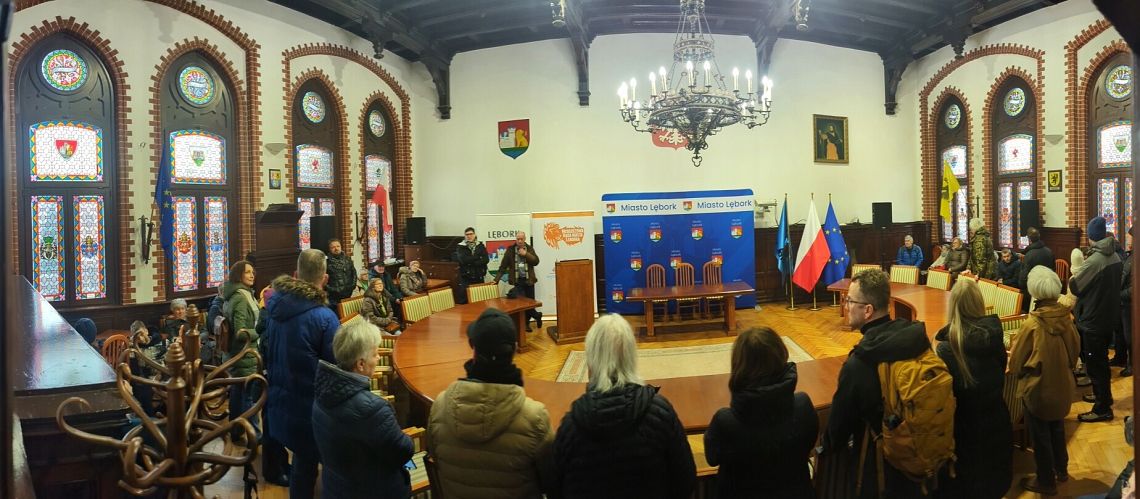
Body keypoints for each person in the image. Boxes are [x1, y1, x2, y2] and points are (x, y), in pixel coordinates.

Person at [553, 314, 695, 498]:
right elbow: (685, 480)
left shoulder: (571, 425)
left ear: (591, 360)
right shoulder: (660, 413)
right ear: (631, 356)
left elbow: (555, 488)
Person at [824, 269, 931, 498]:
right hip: (923, 461)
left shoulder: (859, 364)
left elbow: (836, 432)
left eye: (849, 300)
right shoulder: (918, 340)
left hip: (881, 473)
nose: (845, 306)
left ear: (868, 310)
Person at [427, 308, 554, 498]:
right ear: (513, 351)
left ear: (473, 349)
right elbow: (550, 482)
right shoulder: (534, 418)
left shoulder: (439, 406)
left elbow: (435, 460)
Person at [703, 327, 817, 498]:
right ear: (782, 355)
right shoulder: (803, 405)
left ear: (738, 365)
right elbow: (810, 444)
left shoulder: (725, 421)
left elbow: (712, 458)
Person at [263, 249, 341, 499]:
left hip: (281, 402)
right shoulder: (325, 317)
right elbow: (336, 368)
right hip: (313, 410)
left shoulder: (275, 308)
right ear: (325, 279)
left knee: (302, 465)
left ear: (296, 275)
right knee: (330, 468)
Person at [313, 320, 414, 499]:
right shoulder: (373, 410)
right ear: (360, 364)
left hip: (335, 487)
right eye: (375, 354)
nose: (378, 358)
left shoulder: (321, 393)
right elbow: (404, 451)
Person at [933, 278, 1012, 499]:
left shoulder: (947, 349)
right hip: (997, 422)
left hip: (964, 434)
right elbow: (1000, 370)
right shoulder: (995, 337)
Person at [1009, 266, 1080, 495]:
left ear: (1034, 290)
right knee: (1057, 428)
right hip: (1063, 387)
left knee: (1040, 438)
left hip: (1038, 391)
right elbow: (1075, 352)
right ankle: (1061, 470)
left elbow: (1016, 361)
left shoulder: (1033, 324)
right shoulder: (1067, 318)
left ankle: (1046, 482)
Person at [1070, 216, 1122, 423]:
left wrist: (1075, 273)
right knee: (1101, 362)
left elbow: (1075, 286)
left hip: (1094, 319)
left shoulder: (1095, 260)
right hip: (1108, 317)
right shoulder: (1115, 255)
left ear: (1091, 236)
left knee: (1095, 365)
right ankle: (1103, 396)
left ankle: (1102, 409)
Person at [222, 260, 261, 439]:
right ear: (238, 275)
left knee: (238, 394)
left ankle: (236, 431)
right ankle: (255, 436)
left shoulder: (239, 294)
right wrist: (260, 331)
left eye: (253, 272)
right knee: (248, 397)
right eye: (247, 272)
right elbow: (240, 332)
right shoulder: (240, 297)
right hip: (244, 354)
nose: (252, 275)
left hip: (240, 354)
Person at [494, 231, 542, 331]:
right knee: (522, 304)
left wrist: (526, 254)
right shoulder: (510, 250)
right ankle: (532, 319)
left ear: (525, 239)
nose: (519, 241)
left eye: (521, 239)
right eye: (518, 239)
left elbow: (536, 261)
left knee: (530, 304)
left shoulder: (529, 249)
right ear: (515, 239)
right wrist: (496, 279)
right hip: (518, 281)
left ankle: (530, 320)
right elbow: (503, 266)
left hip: (529, 281)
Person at [1018, 227, 1055, 313]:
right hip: (1048, 288)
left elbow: (1023, 278)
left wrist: (1021, 285)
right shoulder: (1049, 251)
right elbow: (1053, 271)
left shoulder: (1029, 255)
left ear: (1029, 240)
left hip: (1033, 291)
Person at [455, 227, 490, 304]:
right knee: (464, 300)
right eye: (467, 234)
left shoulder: (480, 245)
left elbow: (486, 260)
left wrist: (472, 262)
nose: (469, 236)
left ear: (474, 235)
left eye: (471, 234)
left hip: (479, 276)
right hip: (466, 277)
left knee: (480, 300)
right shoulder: (460, 246)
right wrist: (477, 257)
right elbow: (464, 260)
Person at [1115, 231, 1133, 377]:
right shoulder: (1130, 256)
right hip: (1123, 302)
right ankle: (1121, 359)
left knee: (1130, 337)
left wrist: (1119, 294)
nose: (1127, 239)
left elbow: (1134, 288)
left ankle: (1132, 365)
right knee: (1121, 333)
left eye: (1129, 236)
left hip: (1130, 304)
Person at [324, 239, 357, 307]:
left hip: (348, 295)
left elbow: (354, 273)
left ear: (341, 247)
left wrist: (352, 286)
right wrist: (333, 290)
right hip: (333, 298)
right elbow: (322, 278)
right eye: (333, 247)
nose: (336, 249)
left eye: (338, 246)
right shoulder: (326, 262)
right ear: (329, 249)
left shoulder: (347, 259)